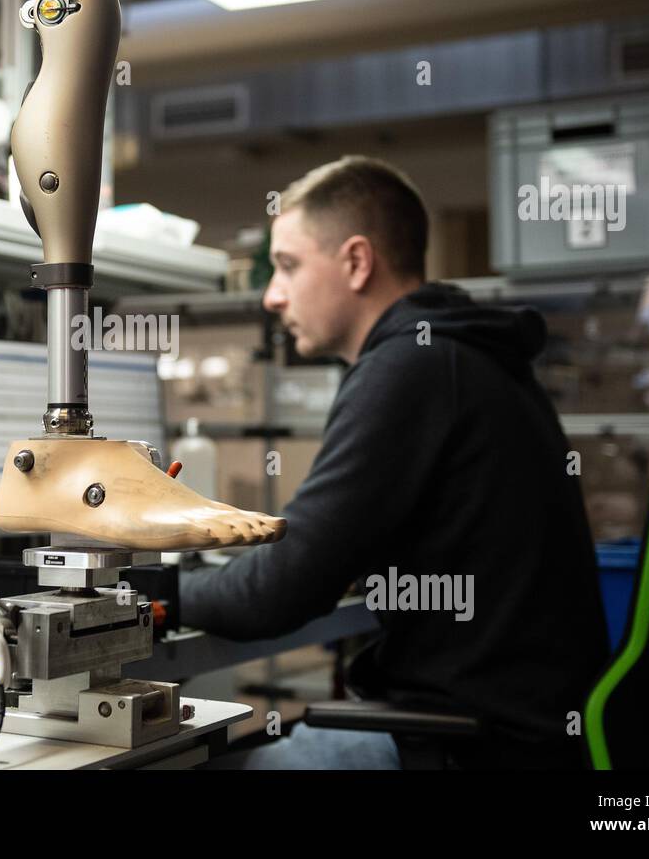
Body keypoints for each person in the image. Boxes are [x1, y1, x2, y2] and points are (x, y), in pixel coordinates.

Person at [182, 155, 609, 769]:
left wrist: (153, 592)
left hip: (477, 747)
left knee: (202, 764)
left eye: (287, 265)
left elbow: (277, 594)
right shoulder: (464, 352)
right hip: (522, 730)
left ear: (356, 262)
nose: (273, 296)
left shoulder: (410, 367)